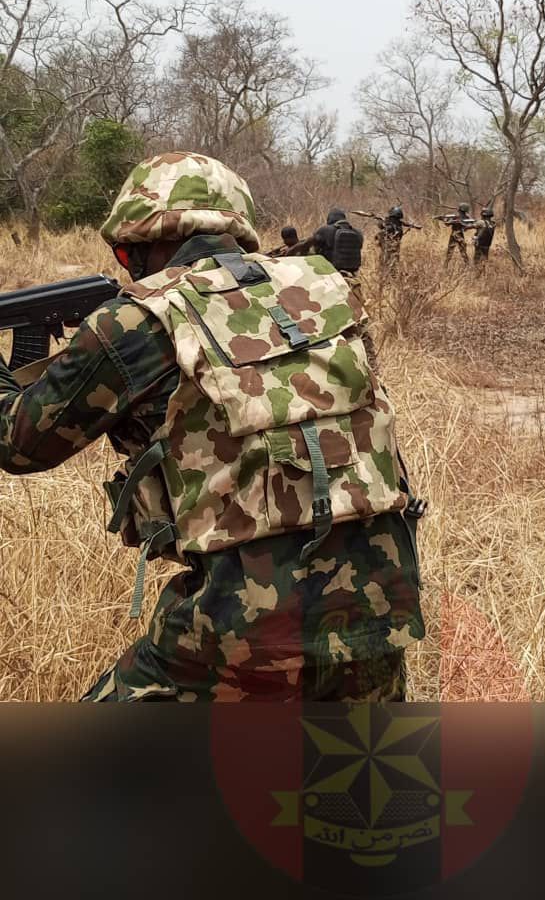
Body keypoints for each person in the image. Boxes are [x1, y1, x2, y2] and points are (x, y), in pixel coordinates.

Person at [0, 152, 425, 703]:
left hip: (238, 631)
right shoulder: (325, 291)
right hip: (380, 617)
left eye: (126, 255)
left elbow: (17, 446)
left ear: (137, 245)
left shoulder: (133, 321)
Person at [378, 206, 405, 276]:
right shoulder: (399, 227)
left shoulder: (392, 227)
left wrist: (382, 222)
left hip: (388, 251)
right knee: (393, 267)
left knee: (385, 268)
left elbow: (381, 229)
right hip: (395, 251)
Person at [445, 202, 473, 266]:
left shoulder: (464, 217)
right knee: (462, 251)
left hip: (456, 234)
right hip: (459, 234)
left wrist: (460, 223)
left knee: (452, 252)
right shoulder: (457, 216)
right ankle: (468, 265)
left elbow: (469, 225)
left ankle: (445, 266)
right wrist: (451, 221)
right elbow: (447, 223)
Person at [473, 207, 496, 275]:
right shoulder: (493, 223)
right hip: (487, 245)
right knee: (485, 259)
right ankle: (484, 273)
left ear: (483, 215)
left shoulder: (481, 222)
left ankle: (477, 274)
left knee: (477, 260)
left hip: (480, 244)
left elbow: (471, 226)